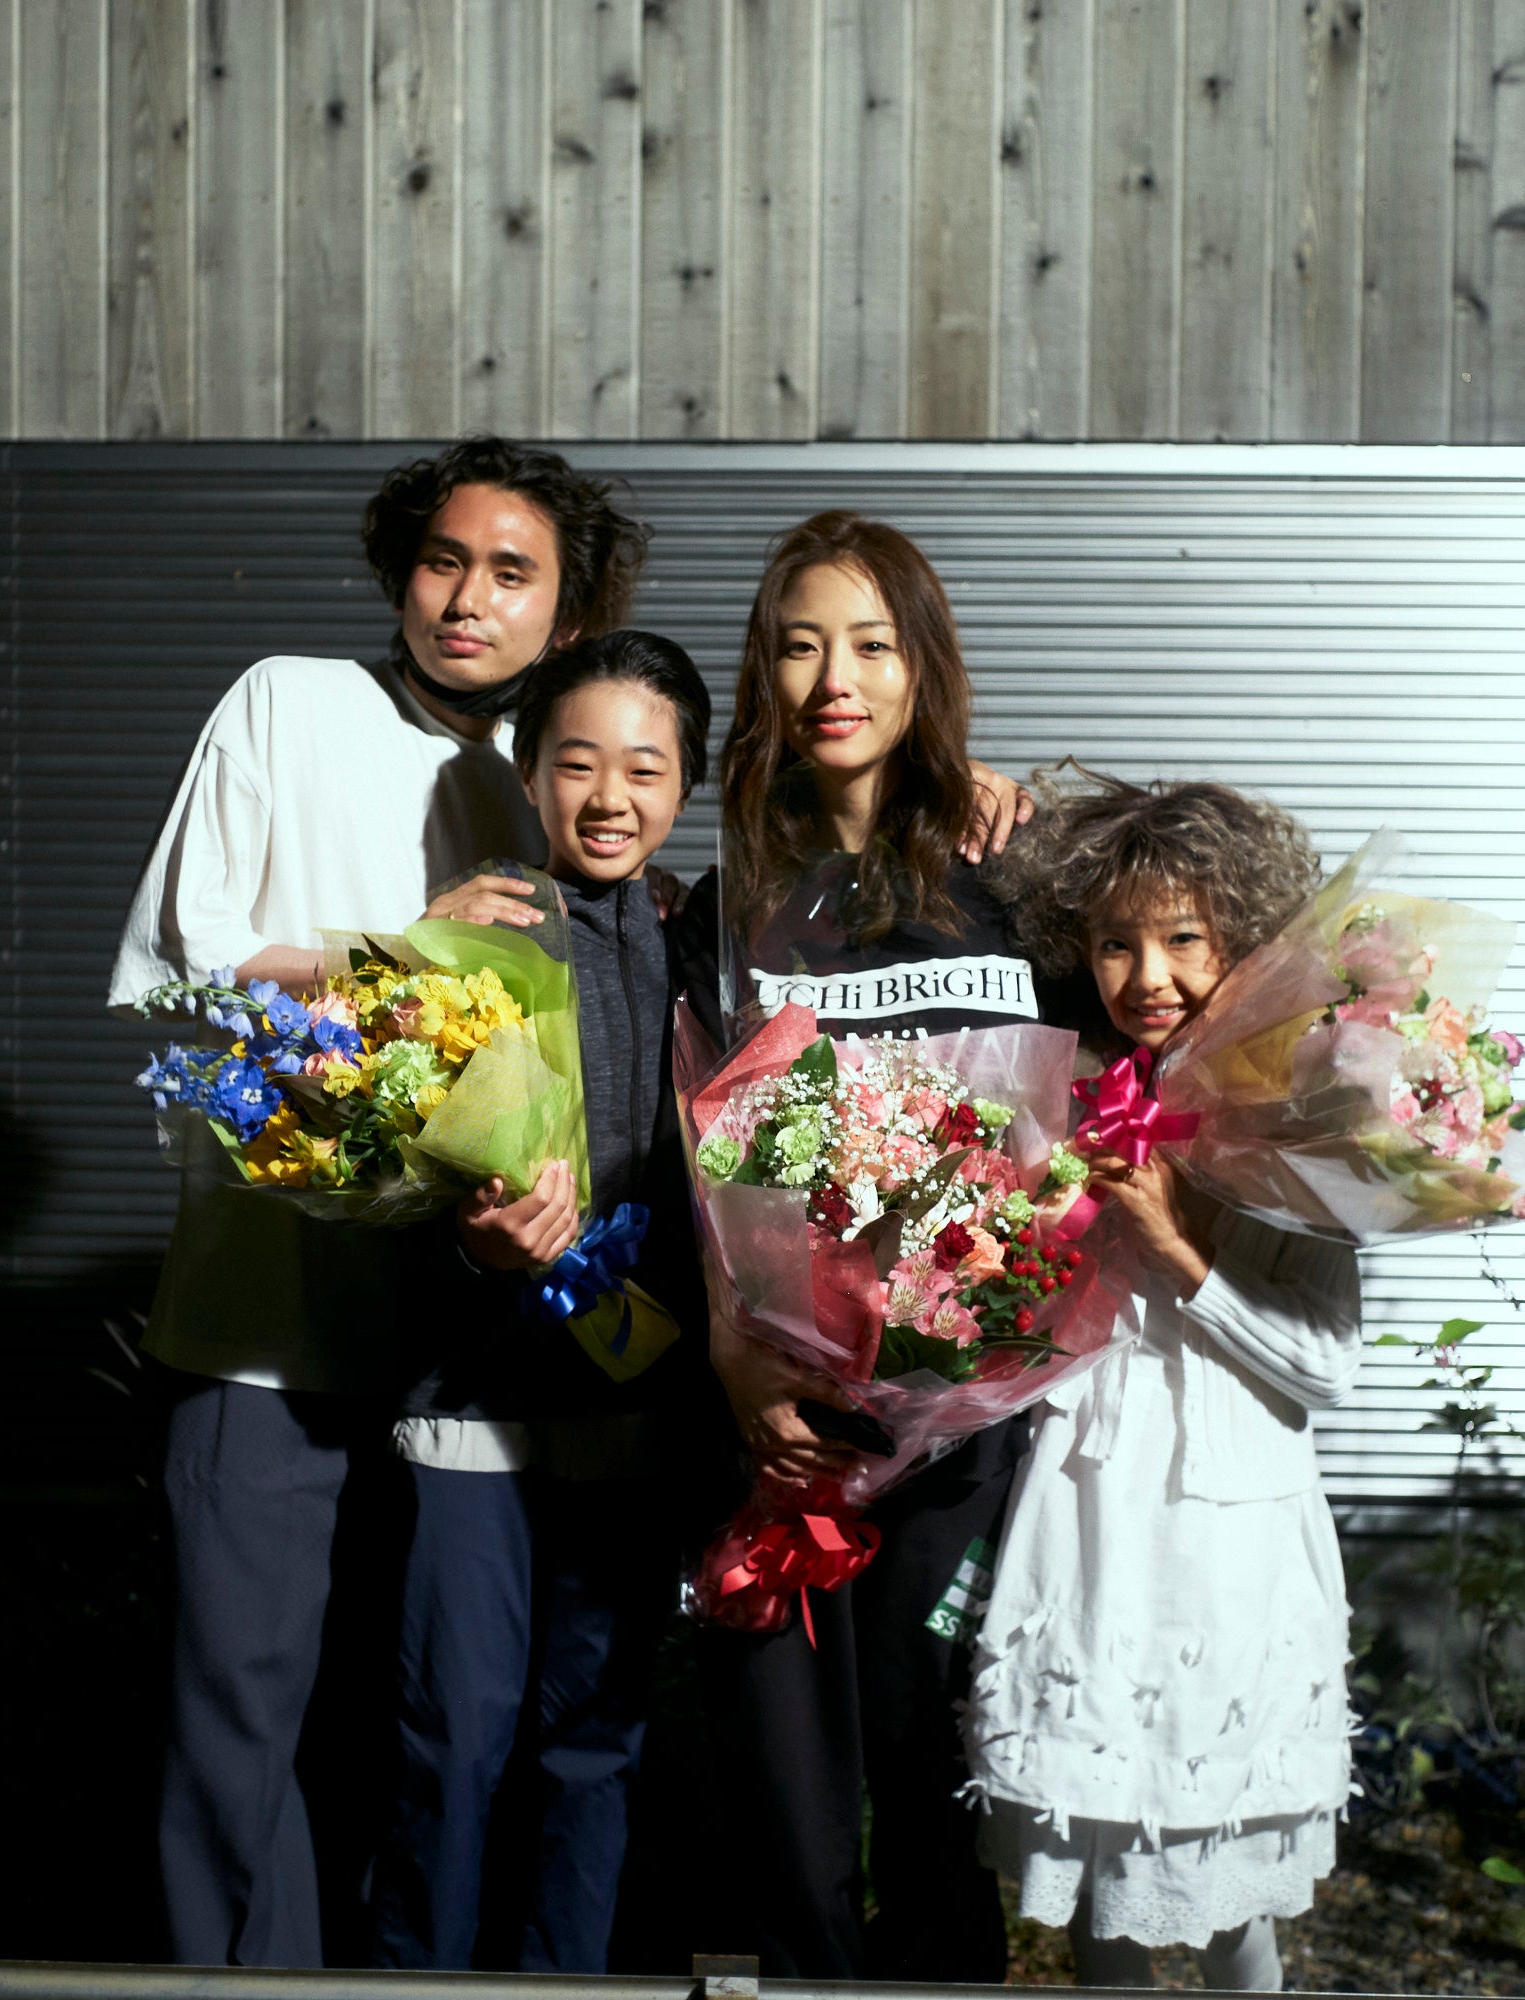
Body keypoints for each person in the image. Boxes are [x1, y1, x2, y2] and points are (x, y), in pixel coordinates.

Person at [109, 437, 650, 1967]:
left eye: (511, 574)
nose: (467, 599)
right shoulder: (286, 706)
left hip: (469, 1363)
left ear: (567, 611)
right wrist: (401, 954)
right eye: (441, 561)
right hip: (264, 1324)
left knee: (428, 1743)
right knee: (238, 1719)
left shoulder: (561, 775)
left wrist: (958, 791)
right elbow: (182, 972)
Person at [677, 512, 1055, 1982]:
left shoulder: (1011, 874)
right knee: (785, 1798)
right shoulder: (726, 902)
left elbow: (1097, 1113)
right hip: (788, 1415)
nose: (834, 679)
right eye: (799, 646)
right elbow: (691, 1147)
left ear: (921, 667)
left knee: (934, 1764)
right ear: (764, 675)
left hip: (968, 1421)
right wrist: (734, 1360)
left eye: (871, 645)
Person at [967, 776, 1362, 1993]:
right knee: (1098, 1869)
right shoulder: (1058, 1097)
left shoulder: (1304, 1110)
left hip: (1230, 1529)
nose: (1151, 975)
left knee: (1232, 1882)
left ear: (1243, 939)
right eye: (1115, 943)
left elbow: (1324, 1365)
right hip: (1089, 1506)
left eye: (1186, 937)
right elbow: (1011, 1320)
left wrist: (1178, 1245)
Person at [369, 630, 718, 1973]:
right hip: (474, 1413)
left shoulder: (697, 949)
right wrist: (477, 1247)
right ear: (525, 771)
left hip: (631, 1413)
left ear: (685, 784)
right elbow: (384, 1186)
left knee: (596, 1743)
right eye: (577, 762)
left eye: (645, 768)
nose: (609, 796)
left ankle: (567, 1994)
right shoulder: (467, 937)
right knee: (449, 1743)